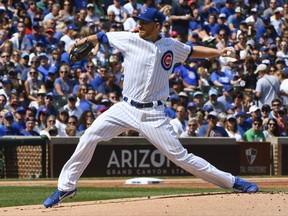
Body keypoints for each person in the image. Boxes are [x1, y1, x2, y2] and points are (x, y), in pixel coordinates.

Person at [43, 8, 258, 208]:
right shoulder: (129, 38)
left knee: (181, 157)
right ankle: (66, 187)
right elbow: (101, 36)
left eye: (145, 23)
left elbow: (192, 51)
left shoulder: (170, 45)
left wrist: (219, 52)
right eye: (139, 21)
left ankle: (233, 181)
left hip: (153, 114)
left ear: (157, 25)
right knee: (89, 136)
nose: (140, 25)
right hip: (125, 108)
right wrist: (82, 41)